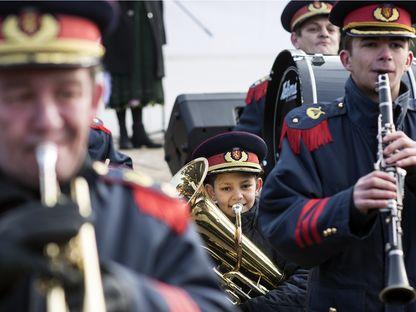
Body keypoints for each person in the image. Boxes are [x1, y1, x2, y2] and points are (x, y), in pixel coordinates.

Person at [0, 1, 235, 311]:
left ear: (95, 100)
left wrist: (135, 297)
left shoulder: (152, 214)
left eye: (67, 93)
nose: (47, 120)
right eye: (20, 96)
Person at [259, 1, 416, 311]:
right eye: (370, 44)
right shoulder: (311, 130)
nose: (385, 55)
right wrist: (349, 205)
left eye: (396, 45)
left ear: (409, 59)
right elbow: (279, 224)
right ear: (345, 59)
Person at [192, 131, 307, 312]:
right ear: (211, 192)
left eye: (245, 186)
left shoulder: (280, 221)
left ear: (258, 186)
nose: (238, 196)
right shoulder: (198, 232)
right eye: (226, 188)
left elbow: (306, 281)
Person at [235, 0, 340, 137]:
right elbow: (243, 142)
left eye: (331, 29)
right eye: (313, 29)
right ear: (295, 39)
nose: (324, 34)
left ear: (339, 37)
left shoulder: (362, 79)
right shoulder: (270, 89)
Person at [104, 1, 165, 149]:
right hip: (121, 23)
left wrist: (161, 36)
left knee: (142, 75)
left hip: (145, 19)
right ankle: (123, 133)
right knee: (123, 74)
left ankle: (138, 131)